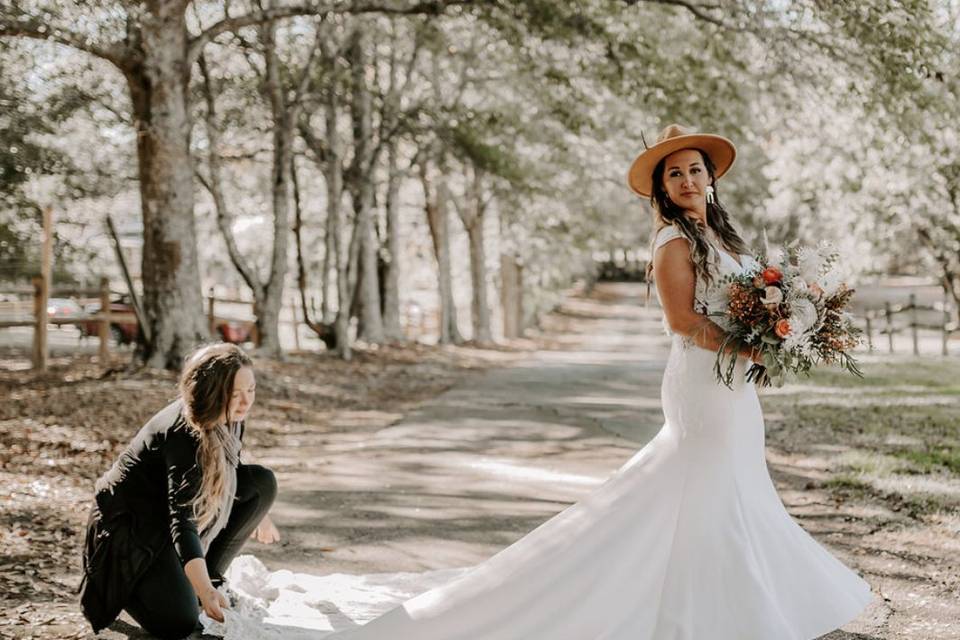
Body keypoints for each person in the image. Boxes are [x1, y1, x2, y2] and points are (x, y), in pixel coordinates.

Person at [245, 125, 875, 640]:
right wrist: (748, 345)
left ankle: (733, 601)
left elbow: (743, 307)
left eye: (694, 170)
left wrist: (775, 337)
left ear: (711, 177)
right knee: (706, 488)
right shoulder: (673, 243)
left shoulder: (720, 235)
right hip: (703, 385)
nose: (686, 180)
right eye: (674, 173)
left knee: (733, 484)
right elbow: (683, 321)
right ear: (661, 187)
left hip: (734, 384)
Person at [79, 342, 280, 639]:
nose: (245, 401)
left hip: (164, 515)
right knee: (181, 623)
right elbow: (181, 520)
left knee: (261, 484)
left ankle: (207, 580)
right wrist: (198, 589)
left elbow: (231, 463)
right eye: (234, 394)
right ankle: (137, 586)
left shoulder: (230, 415)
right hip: (130, 531)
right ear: (213, 394)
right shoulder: (185, 433)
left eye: (250, 390)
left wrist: (261, 513)